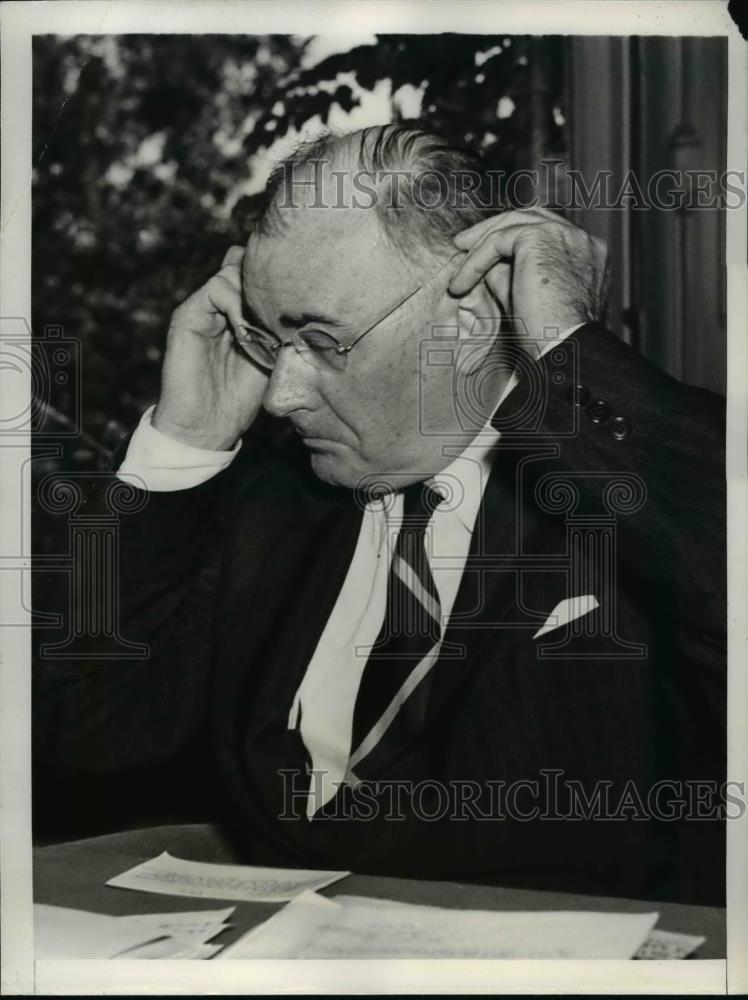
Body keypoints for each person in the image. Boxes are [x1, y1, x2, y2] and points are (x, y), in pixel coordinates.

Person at [33, 125, 726, 905]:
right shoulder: (276, 503)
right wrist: (183, 445)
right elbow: (83, 730)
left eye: (323, 342)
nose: (280, 394)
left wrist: (566, 349)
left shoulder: (633, 495)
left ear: (469, 318)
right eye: (269, 339)